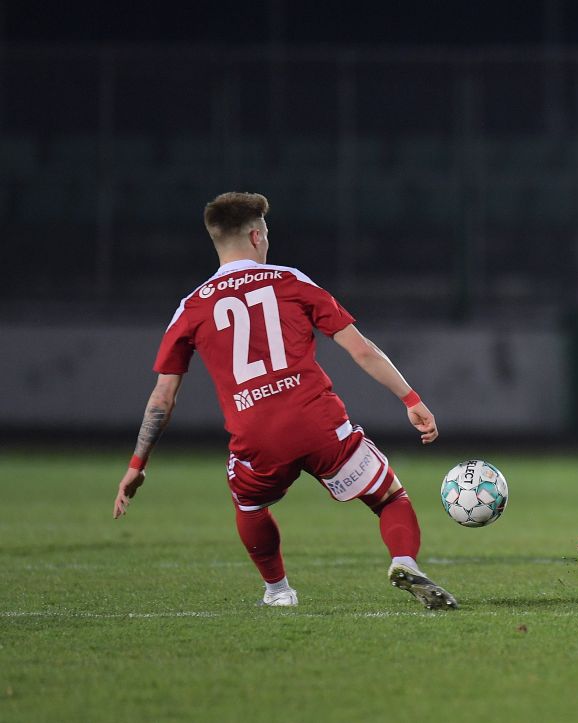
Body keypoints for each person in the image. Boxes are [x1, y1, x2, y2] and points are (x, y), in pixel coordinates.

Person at [112, 192, 457, 609]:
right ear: (256, 236)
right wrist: (411, 398)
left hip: (256, 435)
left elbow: (162, 398)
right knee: (389, 497)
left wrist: (137, 464)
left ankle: (278, 592)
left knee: (249, 505)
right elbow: (362, 349)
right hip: (318, 423)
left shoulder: (191, 307)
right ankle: (404, 562)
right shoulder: (289, 280)